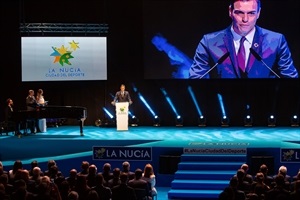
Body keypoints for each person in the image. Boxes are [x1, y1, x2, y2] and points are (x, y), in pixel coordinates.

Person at [189, 0, 299, 79]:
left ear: (258, 13)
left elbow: (290, 79)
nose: (245, 19)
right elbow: (196, 78)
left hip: (263, 105)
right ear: (230, 12)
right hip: (223, 105)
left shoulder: (276, 40)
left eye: (251, 13)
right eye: (240, 12)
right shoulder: (209, 41)